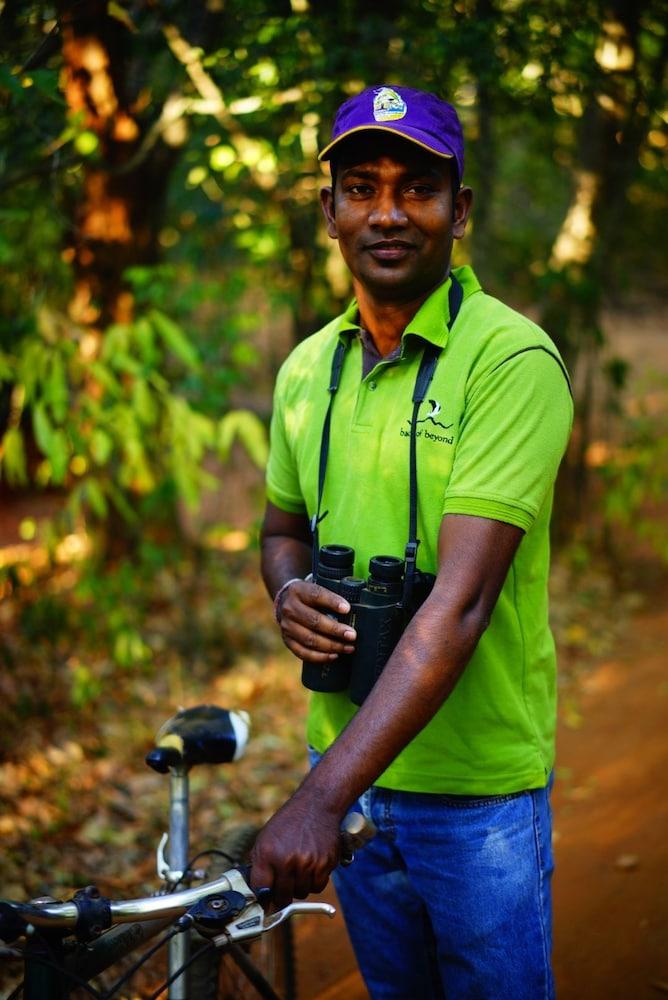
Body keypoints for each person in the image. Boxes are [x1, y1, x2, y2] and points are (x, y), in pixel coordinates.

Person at [251, 84, 573, 999]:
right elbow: (279, 529)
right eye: (361, 187)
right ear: (330, 212)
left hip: (474, 799)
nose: (387, 213)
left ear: (458, 210)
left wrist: (317, 802)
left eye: (417, 189)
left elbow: (460, 605)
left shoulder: (510, 361)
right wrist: (287, 591)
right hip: (345, 772)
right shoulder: (306, 368)